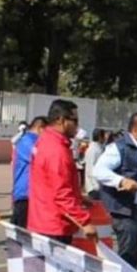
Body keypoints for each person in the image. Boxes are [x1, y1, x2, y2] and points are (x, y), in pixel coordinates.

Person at [93, 114, 137, 269]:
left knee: (134, 258)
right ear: (135, 130)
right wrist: (121, 181)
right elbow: (99, 171)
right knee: (127, 259)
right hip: (127, 213)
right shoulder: (119, 148)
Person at [27, 100, 95, 245]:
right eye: (75, 121)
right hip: (55, 225)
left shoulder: (45, 140)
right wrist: (85, 221)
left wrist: (79, 198)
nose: (77, 126)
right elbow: (61, 193)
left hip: (44, 220)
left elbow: (52, 183)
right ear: (61, 120)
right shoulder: (56, 150)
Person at [10, 116, 47, 228]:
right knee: (22, 230)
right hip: (25, 193)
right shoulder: (27, 141)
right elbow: (41, 160)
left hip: (34, 193)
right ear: (40, 128)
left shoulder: (35, 141)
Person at [84, 128, 109, 199]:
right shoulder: (93, 150)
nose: (105, 138)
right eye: (104, 136)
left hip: (99, 186)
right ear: (100, 137)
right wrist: (96, 186)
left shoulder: (99, 148)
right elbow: (91, 169)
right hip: (94, 187)